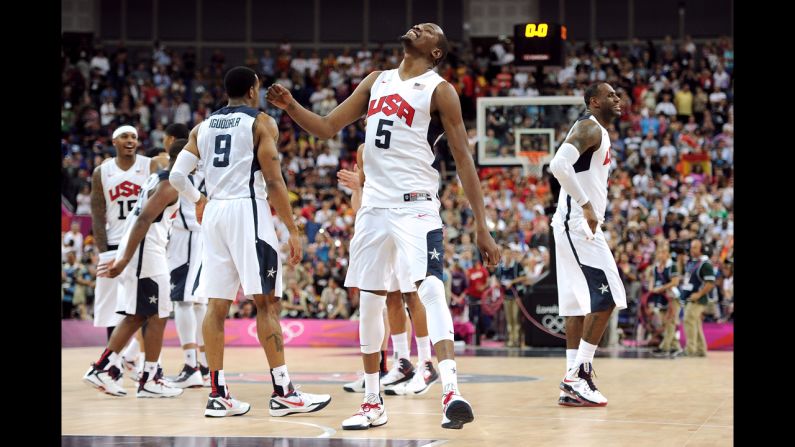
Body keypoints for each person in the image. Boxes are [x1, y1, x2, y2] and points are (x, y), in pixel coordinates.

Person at [268, 23, 500, 430]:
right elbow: (325, 127)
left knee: (429, 288)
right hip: (373, 206)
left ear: (436, 53)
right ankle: (373, 402)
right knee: (371, 299)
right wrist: (290, 107)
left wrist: (482, 225)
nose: (419, 27)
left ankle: (450, 391)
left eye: (430, 30)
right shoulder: (377, 80)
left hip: (416, 206)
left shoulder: (439, 89)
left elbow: (464, 159)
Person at [169, 66, 331, 418]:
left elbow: (177, 175)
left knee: (216, 305)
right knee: (267, 303)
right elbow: (273, 181)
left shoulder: (201, 128)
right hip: (248, 212)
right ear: (254, 90)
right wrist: (292, 229)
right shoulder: (261, 122)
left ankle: (217, 393)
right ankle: (283, 391)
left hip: (213, 215)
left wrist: (198, 199)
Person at [82, 139, 188, 399]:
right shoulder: (169, 184)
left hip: (146, 250)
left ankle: (106, 369)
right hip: (145, 253)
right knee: (156, 313)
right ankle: (147, 377)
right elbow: (142, 219)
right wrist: (123, 259)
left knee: (140, 315)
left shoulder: (160, 177)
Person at [337, 145, 439, 398]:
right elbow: (360, 207)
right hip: (379, 224)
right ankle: (402, 361)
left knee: (412, 294)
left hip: (406, 216)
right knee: (392, 296)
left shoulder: (403, 139)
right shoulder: (362, 149)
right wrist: (359, 186)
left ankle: (426, 363)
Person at [548, 82, 627, 407]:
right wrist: (586, 206)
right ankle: (579, 374)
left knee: (576, 305)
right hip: (578, 224)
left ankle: (571, 381)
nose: (617, 99)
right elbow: (557, 166)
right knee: (609, 295)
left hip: (571, 224)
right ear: (594, 101)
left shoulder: (597, 132)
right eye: (610, 95)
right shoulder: (588, 127)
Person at [90, 125, 157, 386]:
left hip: (141, 243)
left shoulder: (149, 165)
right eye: (125, 137)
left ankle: (136, 361)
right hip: (113, 244)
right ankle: (111, 367)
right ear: (114, 141)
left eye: (134, 137)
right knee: (111, 311)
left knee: (143, 307)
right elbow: (97, 213)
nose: (131, 141)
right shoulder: (101, 172)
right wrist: (102, 249)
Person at [167, 126, 210, 389]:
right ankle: (204, 366)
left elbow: (174, 176)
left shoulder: (186, 168)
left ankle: (191, 365)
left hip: (189, 237)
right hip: (203, 237)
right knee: (198, 304)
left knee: (183, 302)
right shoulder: (208, 166)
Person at [680, 239, 715, 357]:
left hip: (698, 299)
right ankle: (701, 349)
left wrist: (699, 294)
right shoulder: (692, 262)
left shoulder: (705, 264)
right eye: (691, 247)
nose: (692, 249)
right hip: (689, 297)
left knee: (688, 320)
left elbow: (710, 283)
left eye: (695, 247)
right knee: (695, 323)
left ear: (701, 249)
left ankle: (690, 349)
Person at [648, 245, 682, 358]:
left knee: (670, 322)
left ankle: (665, 347)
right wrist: (652, 289)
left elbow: (675, 282)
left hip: (672, 297)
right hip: (660, 297)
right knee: (664, 323)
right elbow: (652, 281)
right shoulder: (656, 267)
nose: (660, 255)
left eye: (663, 252)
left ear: (667, 254)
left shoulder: (672, 266)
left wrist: (661, 288)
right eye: (659, 252)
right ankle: (676, 347)